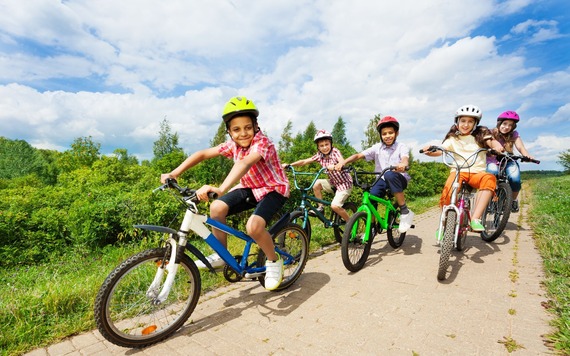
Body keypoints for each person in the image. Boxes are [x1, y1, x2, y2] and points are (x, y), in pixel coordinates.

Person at [160, 96, 289, 291]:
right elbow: (203, 154)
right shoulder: (232, 145)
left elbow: (244, 163)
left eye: (248, 127)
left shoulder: (263, 143)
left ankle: (273, 260)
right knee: (216, 207)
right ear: (229, 132)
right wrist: (175, 173)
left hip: (274, 188)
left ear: (256, 126)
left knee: (253, 227)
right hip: (251, 188)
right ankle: (221, 255)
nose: (243, 133)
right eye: (236, 129)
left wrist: (221, 189)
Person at [421, 104, 503, 234]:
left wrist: (497, 146)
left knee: (490, 179)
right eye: (463, 121)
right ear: (457, 122)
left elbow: (492, 142)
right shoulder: (453, 138)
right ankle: (443, 225)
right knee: (448, 190)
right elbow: (441, 150)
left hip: (477, 173)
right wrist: (430, 150)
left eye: (470, 121)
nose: (466, 124)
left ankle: (475, 219)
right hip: (459, 171)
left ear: (475, 123)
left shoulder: (481, 134)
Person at [334, 116, 414, 233]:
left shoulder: (401, 147)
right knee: (371, 197)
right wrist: (343, 162)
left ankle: (404, 210)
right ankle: (371, 227)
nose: (387, 136)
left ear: (396, 133)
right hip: (381, 179)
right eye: (384, 133)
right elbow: (358, 155)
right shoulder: (377, 148)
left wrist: (402, 164)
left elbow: (405, 159)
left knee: (389, 174)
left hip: (398, 178)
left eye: (390, 133)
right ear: (380, 135)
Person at [282, 129, 353, 222]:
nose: (324, 148)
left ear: (331, 144)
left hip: (344, 184)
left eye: (326, 144)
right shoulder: (320, 155)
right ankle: (321, 208)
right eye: (321, 146)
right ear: (318, 147)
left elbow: (342, 161)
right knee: (316, 184)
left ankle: (351, 223)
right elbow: (304, 161)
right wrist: (290, 165)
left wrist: (336, 166)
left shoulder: (335, 152)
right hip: (333, 182)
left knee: (335, 206)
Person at [486, 111, 535, 213]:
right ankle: (489, 199)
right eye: (505, 124)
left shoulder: (514, 134)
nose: (507, 127)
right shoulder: (490, 132)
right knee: (492, 173)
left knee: (515, 179)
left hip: (508, 160)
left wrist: (527, 155)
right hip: (492, 160)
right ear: (499, 123)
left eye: (510, 125)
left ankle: (513, 200)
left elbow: (520, 147)